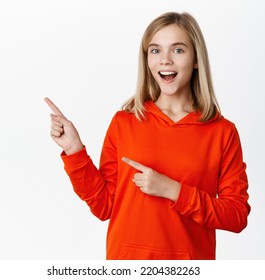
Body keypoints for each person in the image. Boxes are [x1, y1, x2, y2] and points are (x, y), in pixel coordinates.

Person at [45, 11, 250, 260]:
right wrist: (74, 150)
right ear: (147, 60)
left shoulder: (222, 132)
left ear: (196, 59)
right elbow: (104, 206)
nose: (165, 60)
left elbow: (236, 215)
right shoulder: (125, 123)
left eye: (177, 50)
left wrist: (173, 190)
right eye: (155, 51)